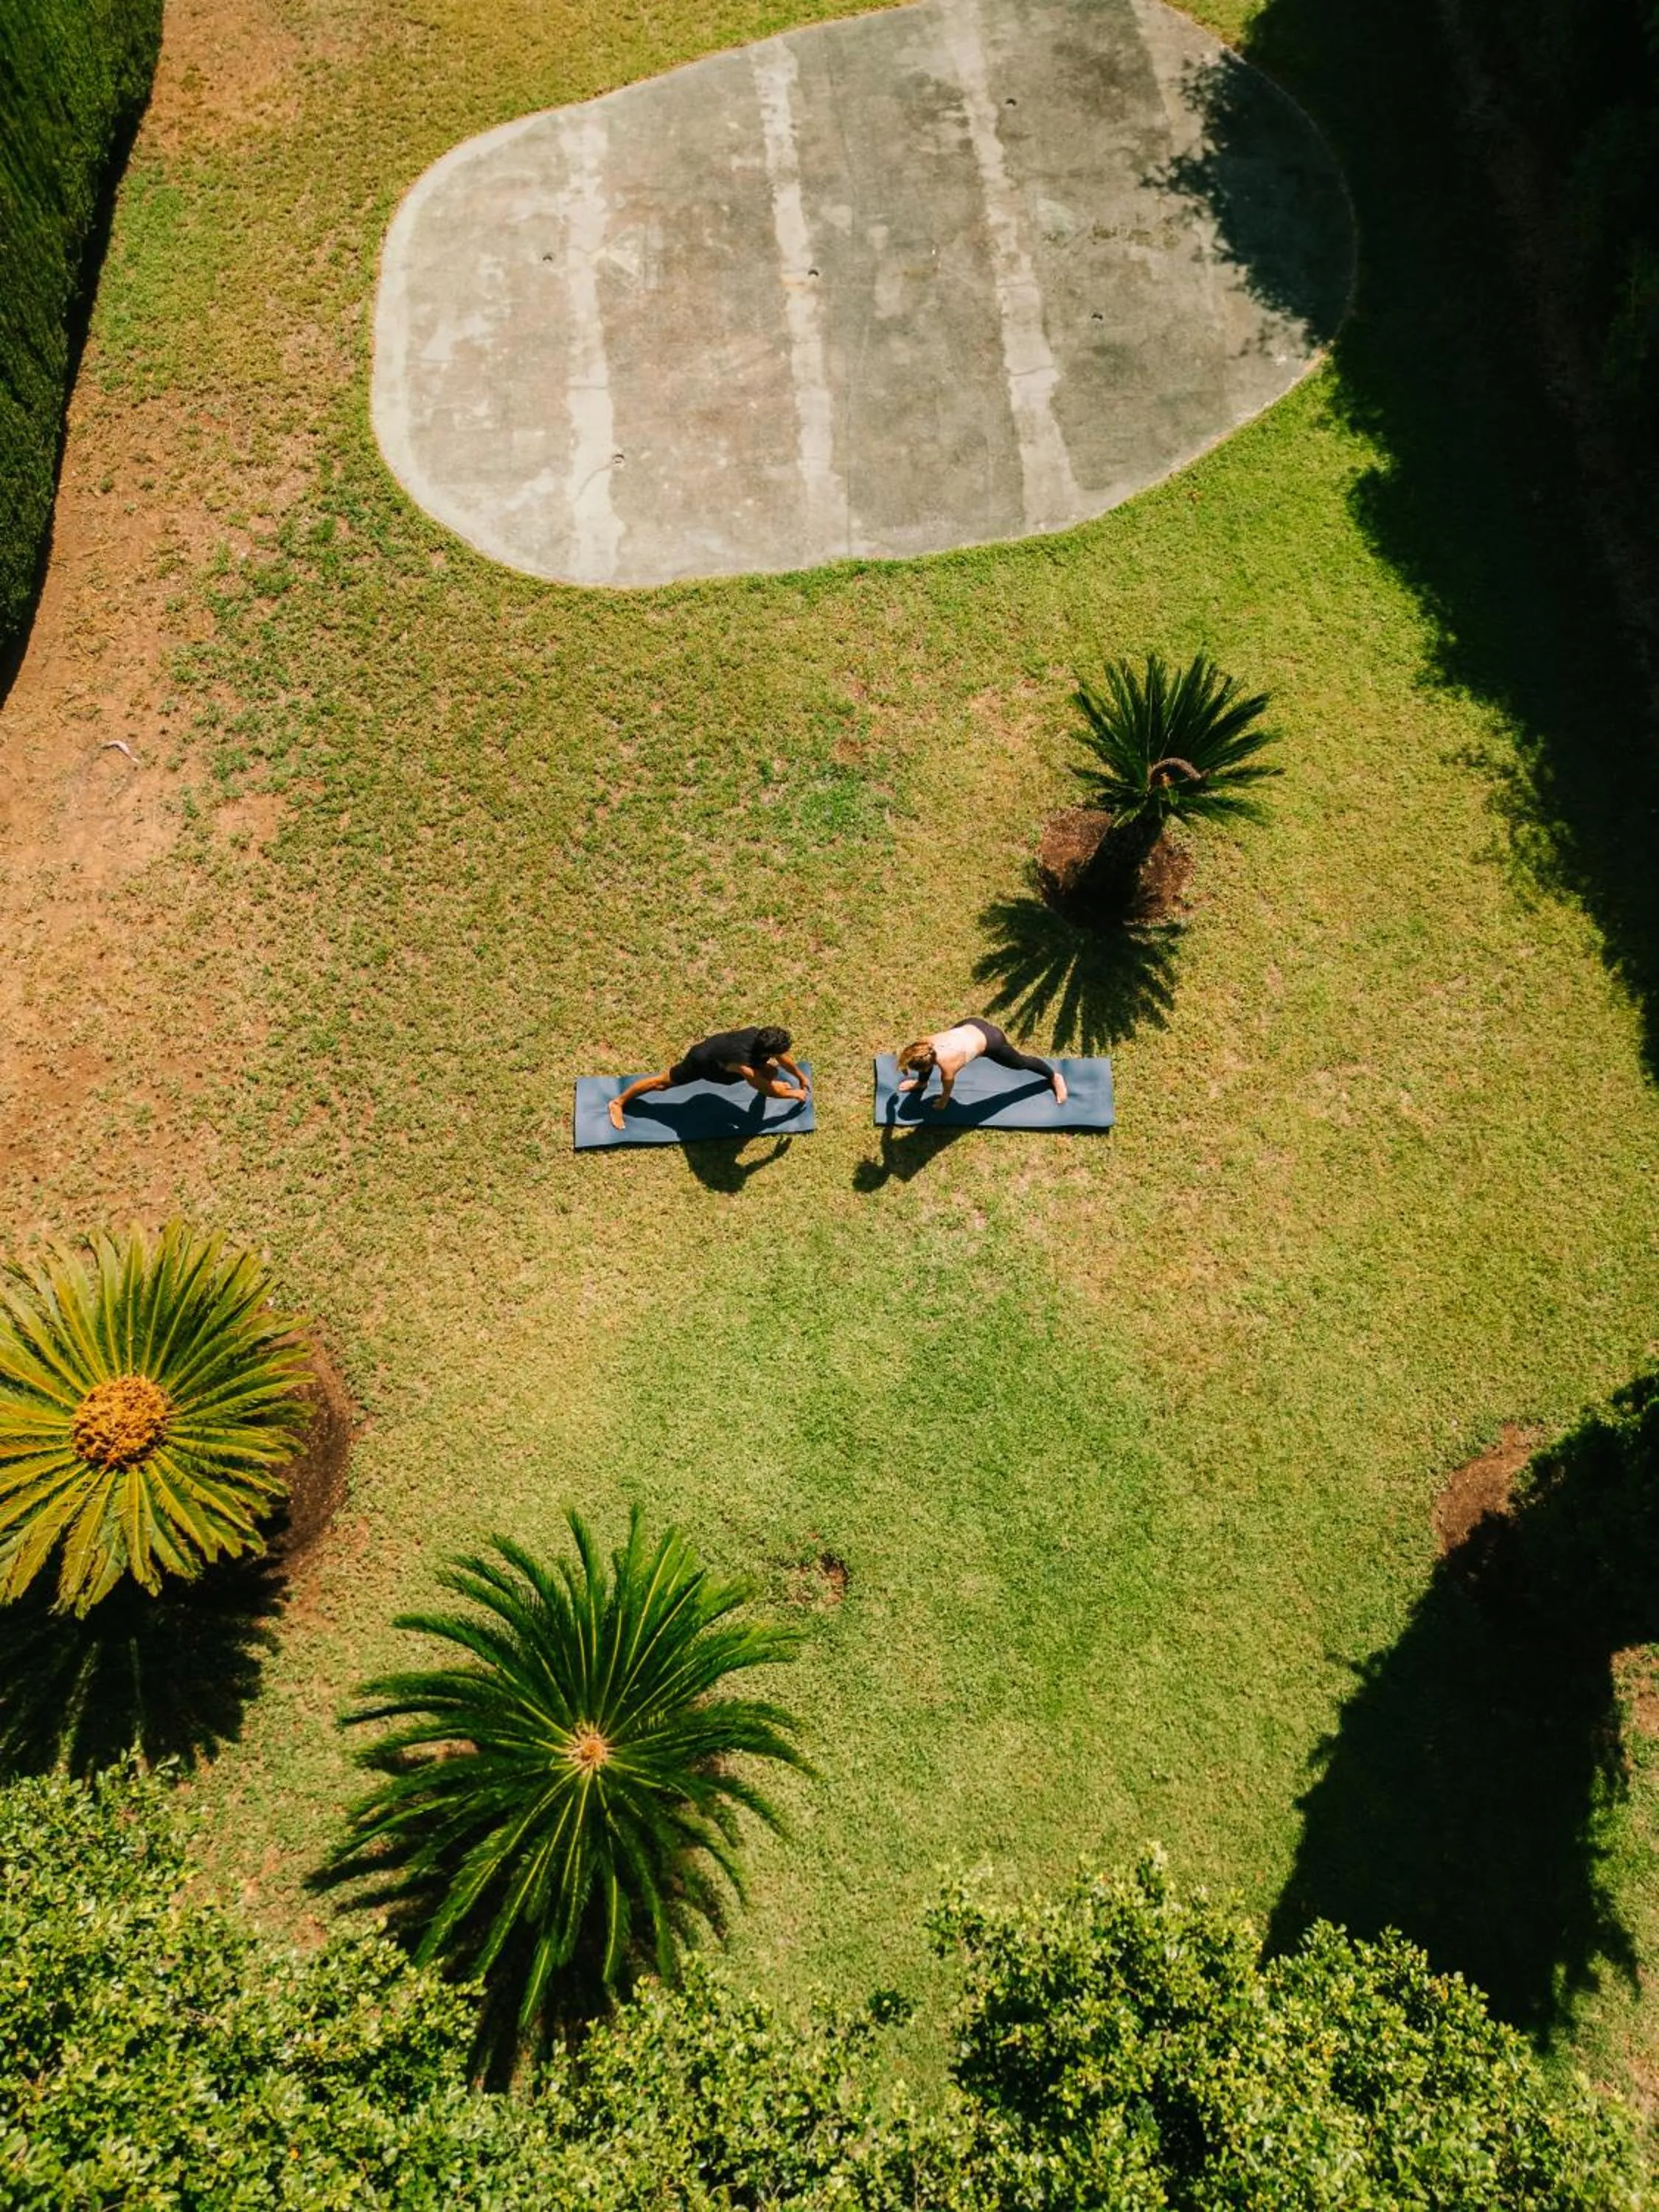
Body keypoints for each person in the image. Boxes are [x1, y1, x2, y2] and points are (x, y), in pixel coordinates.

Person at [608, 1025, 810, 1130]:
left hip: (723, 1056)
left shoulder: (760, 1036)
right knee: (661, 1084)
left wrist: (800, 1076)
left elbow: (781, 1058)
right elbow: (765, 1089)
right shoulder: (745, 1066)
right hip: (703, 1063)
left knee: (771, 1072)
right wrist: (793, 1094)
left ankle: (770, 1078)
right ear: (767, 1052)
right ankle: (618, 1102)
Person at [895, 1018, 1067, 1110]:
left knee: (1020, 1063)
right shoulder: (924, 1044)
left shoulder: (948, 1067)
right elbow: (911, 1055)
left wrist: (942, 1103)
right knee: (929, 1061)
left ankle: (1054, 1077)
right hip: (970, 1023)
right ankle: (922, 1083)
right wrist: (905, 1066)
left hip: (992, 1041)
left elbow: (947, 1091)